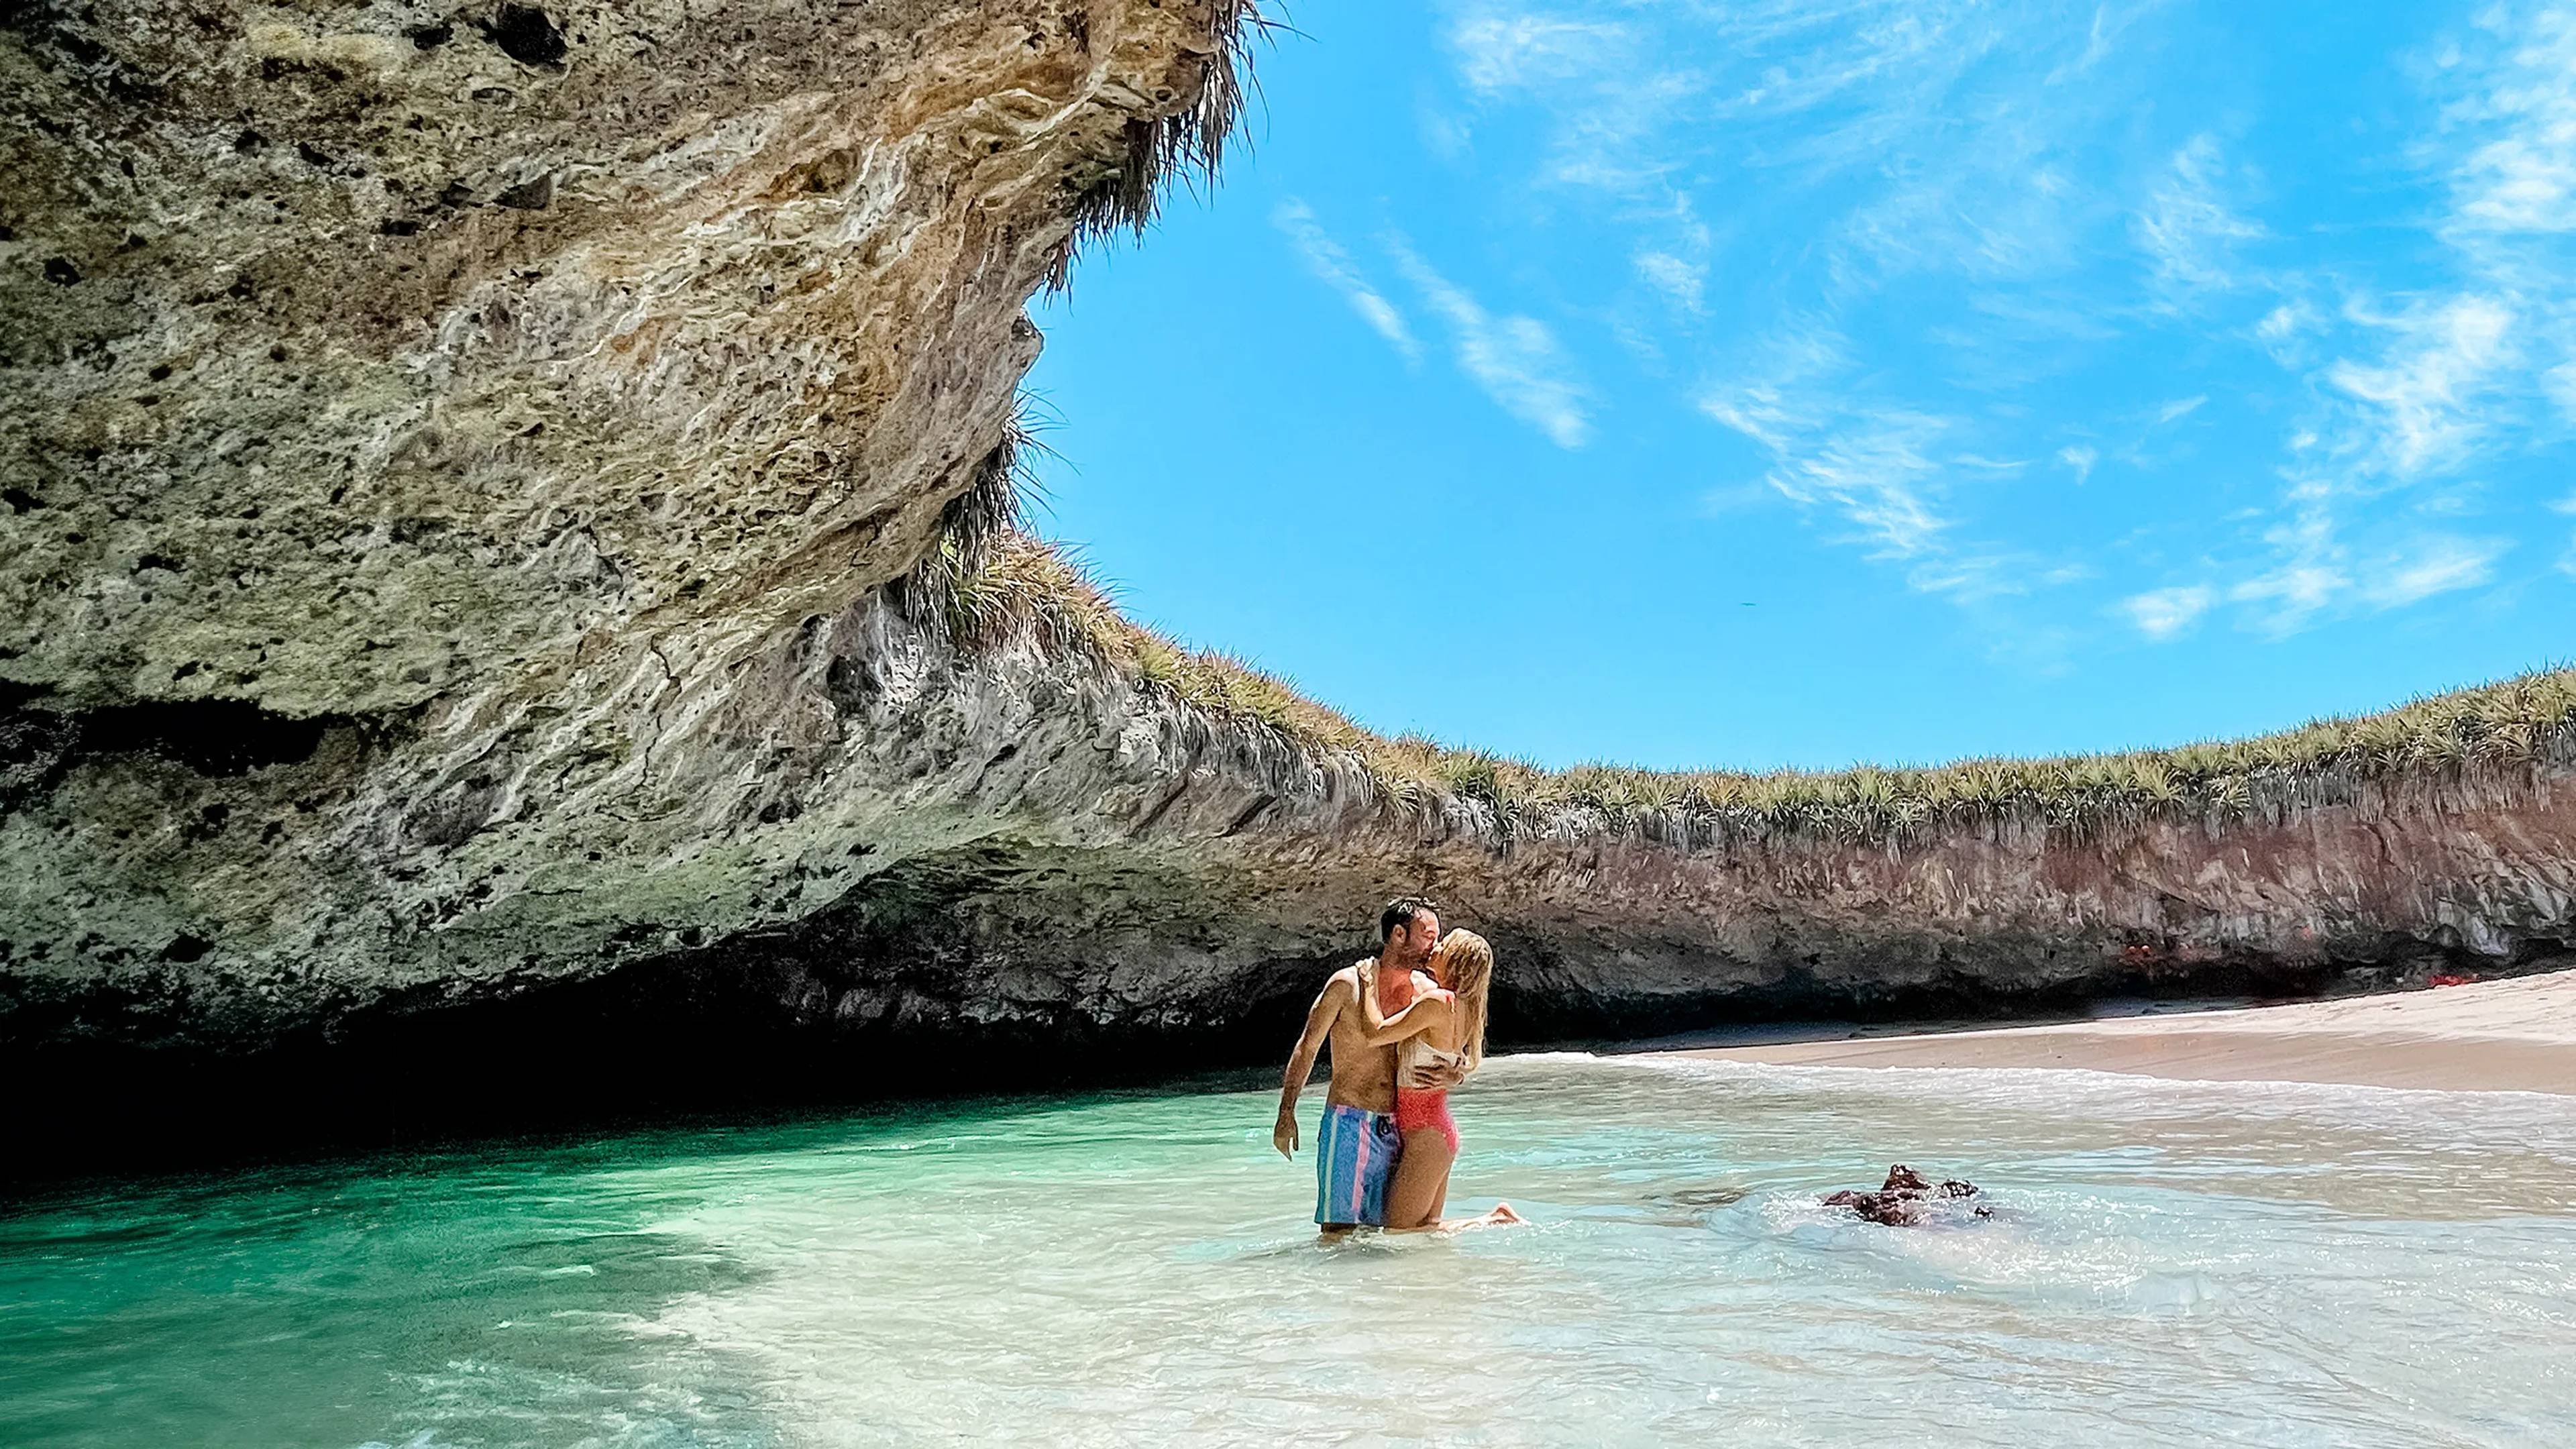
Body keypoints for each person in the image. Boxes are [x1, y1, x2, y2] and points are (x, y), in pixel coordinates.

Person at [1273, 897, 1458, 1238]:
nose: (1436, 946)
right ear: (1399, 935)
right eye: (1428, 935)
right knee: (1338, 1233)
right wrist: (1287, 1113)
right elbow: (1307, 1047)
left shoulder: (1427, 992)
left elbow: (1452, 1050)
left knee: (1391, 1236)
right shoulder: (1347, 984)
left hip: (1401, 1127)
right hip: (1350, 1121)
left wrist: (1455, 1073)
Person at [1355, 929, 1520, 1232]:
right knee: (1427, 1226)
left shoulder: (1438, 1003)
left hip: (1427, 1136)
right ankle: (1495, 1219)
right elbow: (1460, 1060)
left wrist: (1367, 984)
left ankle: (1495, 1219)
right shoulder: (1462, 1006)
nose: (1436, 946)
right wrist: (1456, 1074)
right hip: (1435, 1131)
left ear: (1456, 960)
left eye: (1444, 945)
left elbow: (1375, 1034)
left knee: (1400, 1232)